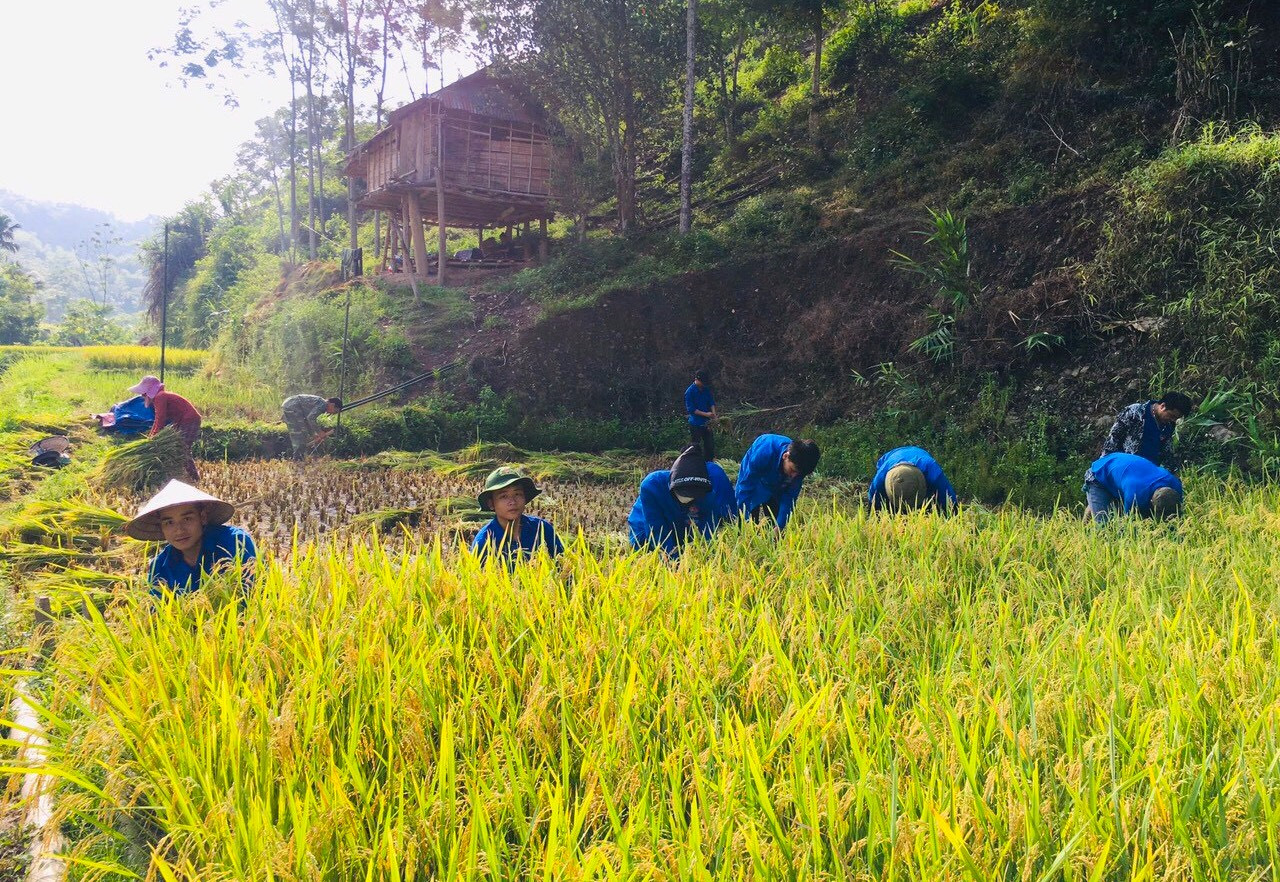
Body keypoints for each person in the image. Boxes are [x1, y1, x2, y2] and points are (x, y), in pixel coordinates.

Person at [124, 479, 256, 598]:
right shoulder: (160, 567)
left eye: (187, 519)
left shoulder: (236, 543)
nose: (179, 530)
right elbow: (157, 613)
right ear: (161, 527)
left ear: (202, 517)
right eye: (169, 523)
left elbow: (254, 596)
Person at [628, 446, 735, 559]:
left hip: (684, 525)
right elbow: (656, 530)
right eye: (684, 493)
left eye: (693, 495)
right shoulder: (652, 486)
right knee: (650, 552)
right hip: (646, 529)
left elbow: (707, 528)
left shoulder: (708, 493)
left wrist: (705, 555)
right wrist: (673, 562)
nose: (688, 498)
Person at [471, 466, 564, 565]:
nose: (512, 502)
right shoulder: (484, 542)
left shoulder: (542, 529)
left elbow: (563, 565)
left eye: (517, 494)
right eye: (503, 496)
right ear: (491, 504)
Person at [734, 434, 820, 530]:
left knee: (774, 521)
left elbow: (789, 498)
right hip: (757, 478)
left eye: (799, 474)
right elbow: (745, 487)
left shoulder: (800, 466)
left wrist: (779, 526)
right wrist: (743, 519)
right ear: (785, 456)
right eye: (792, 470)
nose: (794, 476)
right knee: (749, 516)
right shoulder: (764, 453)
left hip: (778, 481)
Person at [131, 375, 202, 481]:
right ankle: (182, 477)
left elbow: (160, 419)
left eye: (144, 393)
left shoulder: (160, 397)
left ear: (149, 391)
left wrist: (154, 437)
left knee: (182, 449)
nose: (142, 395)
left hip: (189, 420)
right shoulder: (158, 398)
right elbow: (157, 420)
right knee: (177, 448)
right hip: (182, 421)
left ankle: (194, 477)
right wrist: (151, 436)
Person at [1083, 452, 1184, 524]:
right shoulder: (1136, 495)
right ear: (1151, 501)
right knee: (1104, 525)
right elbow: (1129, 525)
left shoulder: (1175, 486)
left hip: (1123, 472)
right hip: (1099, 474)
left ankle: (1094, 505)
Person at [1099, 392, 1194, 466]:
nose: (1173, 420)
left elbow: (1167, 451)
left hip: (1148, 472)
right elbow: (1114, 437)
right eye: (1171, 416)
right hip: (1124, 466)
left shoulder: (1168, 425)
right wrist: (1105, 463)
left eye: (1176, 418)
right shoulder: (1135, 412)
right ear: (1163, 406)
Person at [868, 446, 958, 513]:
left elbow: (947, 497)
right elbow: (873, 502)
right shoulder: (881, 478)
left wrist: (954, 516)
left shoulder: (931, 470)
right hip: (892, 457)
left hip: (919, 457)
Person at [282, 394, 343, 459]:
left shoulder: (321, 403)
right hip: (292, 406)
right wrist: (319, 432)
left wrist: (313, 434)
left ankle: (298, 457)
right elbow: (310, 418)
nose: (332, 414)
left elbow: (307, 421)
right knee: (299, 433)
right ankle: (298, 459)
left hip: (290, 404)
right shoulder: (323, 405)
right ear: (332, 405)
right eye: (335, 411)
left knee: (302, 431)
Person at [684, 370, 717, 461]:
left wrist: (714, 415)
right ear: (696, 380)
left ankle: (709, 463)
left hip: (707, 423)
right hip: (696, 423)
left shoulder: (706, 390)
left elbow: (711, 402)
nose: (703, 384)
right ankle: (695, 462)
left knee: (709, 446)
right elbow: (691, 410)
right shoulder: (689, 392)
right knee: (695, 446)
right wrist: (706, 414)